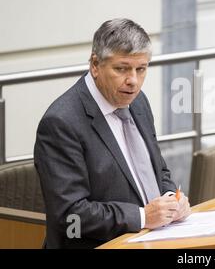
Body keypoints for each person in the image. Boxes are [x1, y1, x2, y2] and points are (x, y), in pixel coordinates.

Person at [34, 18, 191, 249]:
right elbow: (70, 217)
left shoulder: (138, 102)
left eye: (141, 69)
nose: (133, 81)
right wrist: (142, 217)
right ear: (95, 65)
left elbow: (159, 170)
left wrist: (171, 199)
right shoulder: (60, 123)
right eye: (122, 69)